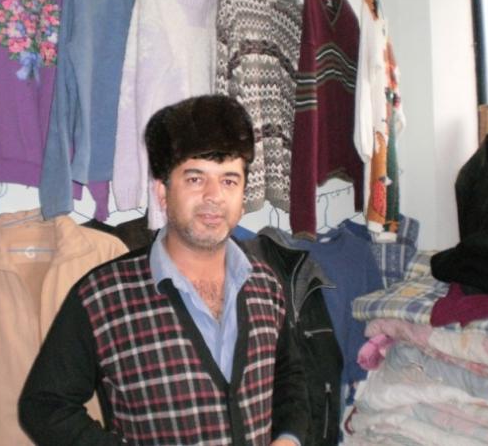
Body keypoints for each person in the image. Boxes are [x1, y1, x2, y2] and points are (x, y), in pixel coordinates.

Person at [18, 95, 310, 445]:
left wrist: (288, 438)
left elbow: (289, 378)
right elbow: (44, 406)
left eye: (229, 181)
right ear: (162, 192)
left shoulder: (265, 285)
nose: (214, 196)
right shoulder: (103, 297)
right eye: (195, 179)